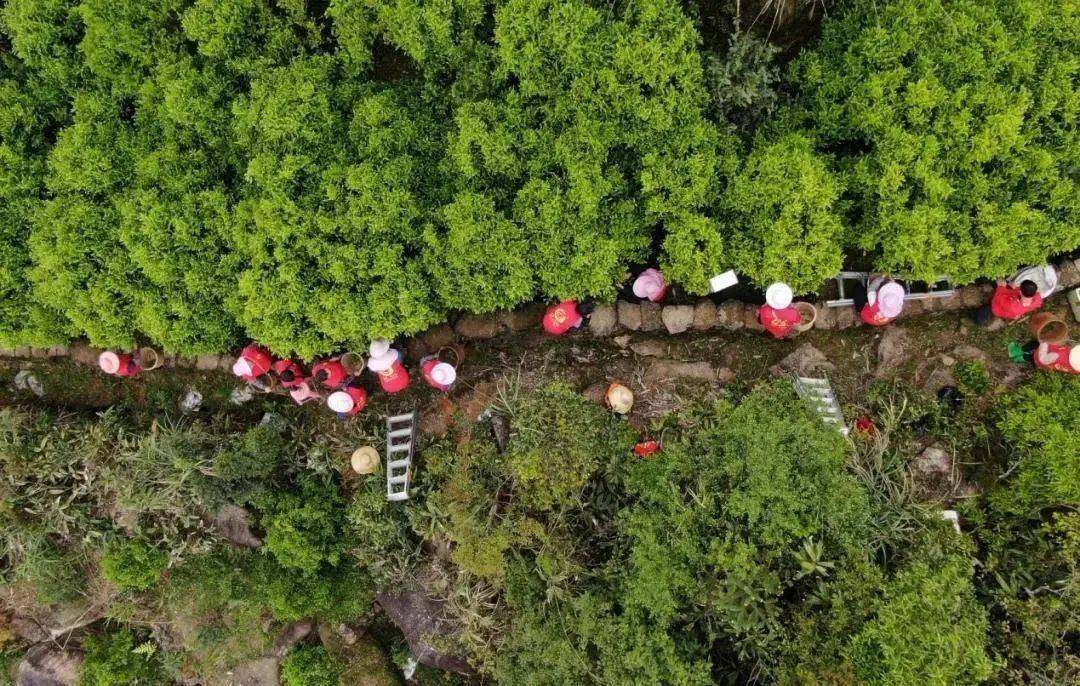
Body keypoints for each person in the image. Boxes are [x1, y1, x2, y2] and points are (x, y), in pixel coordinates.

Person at [976, 279, 1043, 325]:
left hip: (997, 308)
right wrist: (1014, 288)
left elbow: (998, 297)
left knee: (984, 313)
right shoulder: (1038, 299)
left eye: (1020, 287)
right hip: (1012, 303)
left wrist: (1001, 287)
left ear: (1020, 291)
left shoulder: (1011, 305)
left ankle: (978, 321)